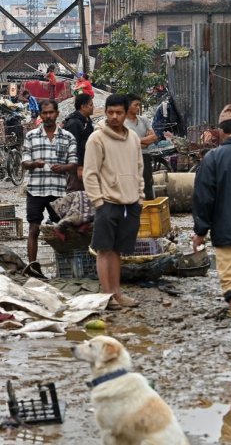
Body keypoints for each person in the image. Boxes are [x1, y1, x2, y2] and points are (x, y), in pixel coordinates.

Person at [84, 93, 143, 309]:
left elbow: (139, 169)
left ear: (126, 113)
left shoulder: (134, 138)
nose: (114, 116)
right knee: (104, 249)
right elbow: (90, 173)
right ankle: (107, 296)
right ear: (106, 112)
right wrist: (98, 201)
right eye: (110, 112)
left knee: (118, 250)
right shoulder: (96, 138)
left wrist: (140, 198)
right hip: (107, 202)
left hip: (130, 203)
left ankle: (118, 293)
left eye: (119, 112)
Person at [193, 103, 231, 355]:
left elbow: (203, 199)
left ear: (220, 131)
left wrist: (200, 231)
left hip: (228, 234)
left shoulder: (213, 158)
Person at [21, 100, 77, 269]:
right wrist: (33, 164)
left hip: (58, 190)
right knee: (33, 228)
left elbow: (74, 164)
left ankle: (65, 267)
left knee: (60, 229)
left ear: (57, 113)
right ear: (40, 115)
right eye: (44, 113)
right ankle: (33, 266)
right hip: (36, 189)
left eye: (51, 112)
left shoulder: (68, 137)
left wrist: (63, 168)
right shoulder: (31, 136)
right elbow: (24, 161)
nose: (48, 116)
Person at [124, 94, 157, 201]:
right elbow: (126, 142)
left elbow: (153, 137)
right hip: (130, 158)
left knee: (147, 183)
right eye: (136, 105)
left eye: (139, 105)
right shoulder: (123, 122)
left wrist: (136, 140)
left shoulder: (143, 120)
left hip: (145, 156)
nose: (138, 107)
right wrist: (144, 140)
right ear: (128, 106)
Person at [63, 93, 95, 192]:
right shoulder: (74, 123)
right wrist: (79, 167)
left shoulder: (86, 121)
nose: (93, 107)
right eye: (91, 105)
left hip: (86, 163)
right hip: (75, 167)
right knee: (75, 192)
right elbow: (74, 147)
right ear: (83, 107)